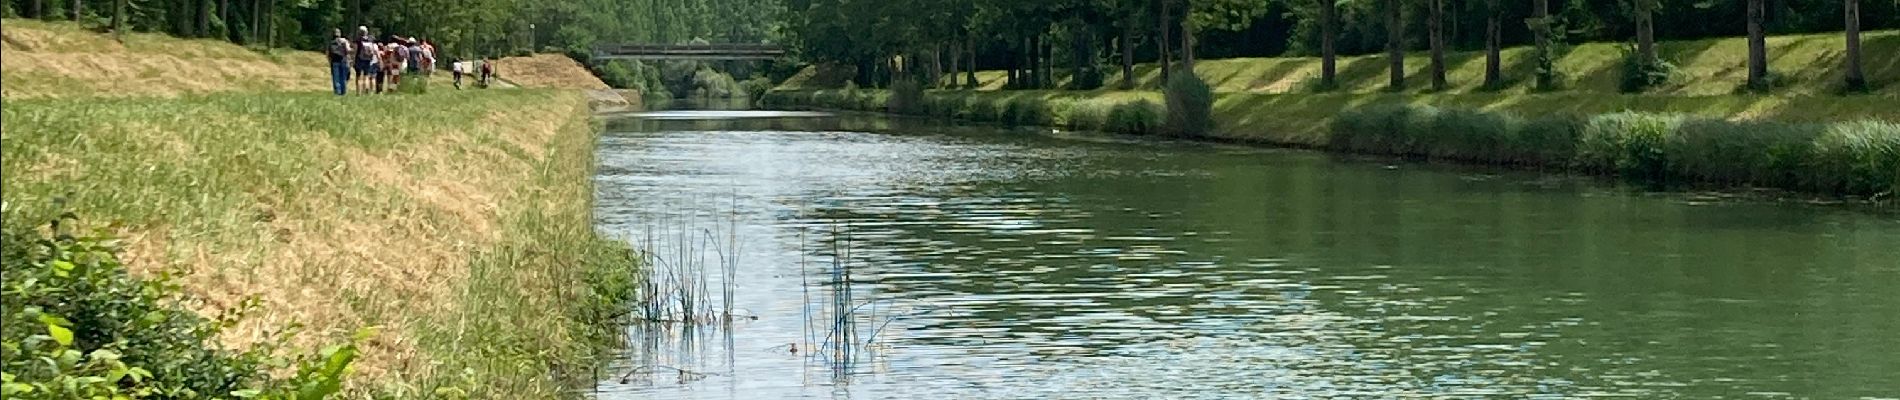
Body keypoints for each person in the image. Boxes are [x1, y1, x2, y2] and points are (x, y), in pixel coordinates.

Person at [353, 27, 378, 94]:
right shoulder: (371, 39)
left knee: (358, 76)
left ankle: (358, 92)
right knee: (366, 75)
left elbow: (355, 51)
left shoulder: (358, 40)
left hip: (359, 59)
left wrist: (353, 60)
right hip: (368, 59)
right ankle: (366, 89)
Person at [327, 28, 351, 96]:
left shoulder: (331, 42)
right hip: (343, 60)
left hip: (334, 61)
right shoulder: (343, 41)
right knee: (343, 77)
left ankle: (337, 91)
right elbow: (348, 50)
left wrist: (330, 61)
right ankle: (343, 91)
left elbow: (328, 53)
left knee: (336, 78)